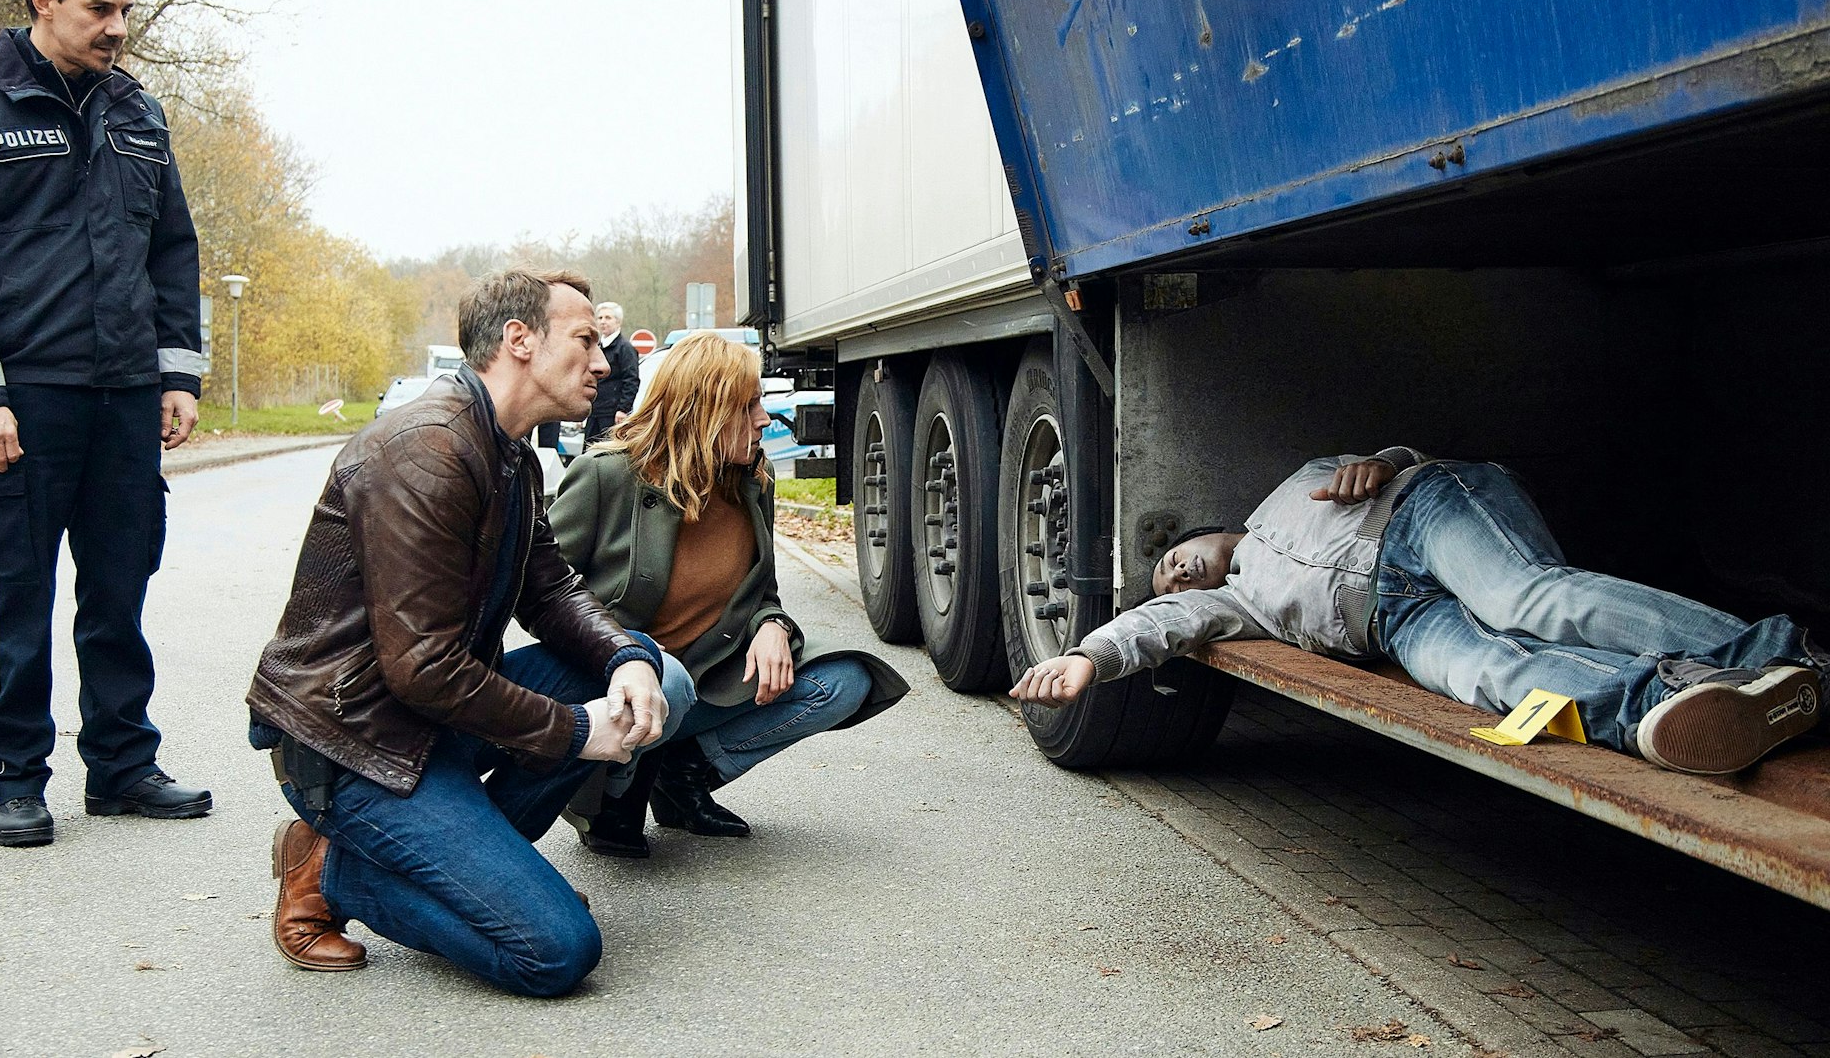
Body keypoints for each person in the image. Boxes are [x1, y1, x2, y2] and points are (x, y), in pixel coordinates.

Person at [247, 266, 693, 996]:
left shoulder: (511, 452)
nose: (605, 361)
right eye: (584, 339)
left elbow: (550, 590)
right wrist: (577, 731)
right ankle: (333, 867)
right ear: (519, 340)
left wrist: (627, 657)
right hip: (354, 744)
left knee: (624, 683)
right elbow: (422, 668)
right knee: (556, 950)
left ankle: (471, 876)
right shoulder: (426, 451)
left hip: (424, 722)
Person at [0, 0, 211, 848]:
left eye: (125, 10)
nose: (117, 27)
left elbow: (173, 251)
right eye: (98, 9)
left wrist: (176, 372)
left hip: (122, 394)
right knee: (19, 588)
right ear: (44, 0)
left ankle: (121, 765)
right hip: (23, 397)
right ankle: (15, 776)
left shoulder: (139, 115)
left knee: (120, 587)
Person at [1014, 448, 1824, 775]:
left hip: (1421, 515)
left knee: (1533, 597)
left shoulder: (1281, 493)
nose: (1174, 576)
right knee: (1490, 676)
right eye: (1171, 583)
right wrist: (1087, 658)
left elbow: (1389, 458)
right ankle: (1669, 703)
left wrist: (1384, 463)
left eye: (1172, 560)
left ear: (1208, 532)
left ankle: (1786, 651)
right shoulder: (1234, 604)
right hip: (1396, 623)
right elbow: (1153, 628)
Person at [549, 332, 908, 857]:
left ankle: (682, 774)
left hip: (705, 681)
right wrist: (621, 654)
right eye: (748, 406)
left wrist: (771, 626)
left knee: (846, 681)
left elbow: (765, 592)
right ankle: (609, 799)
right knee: (665, 679)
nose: (764, 419)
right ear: (703, 410)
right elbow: (543, 589)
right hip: (623, 684)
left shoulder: (752, 484)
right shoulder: (607, 476)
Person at [584, 301, 640, 446]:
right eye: (600, 318)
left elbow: (631, 380)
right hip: (595, 410)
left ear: (618, 321)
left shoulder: (625, 349)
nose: (603, 322)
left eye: (608, 318)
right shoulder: (596, 347)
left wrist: (623, 409)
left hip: (612, 413)